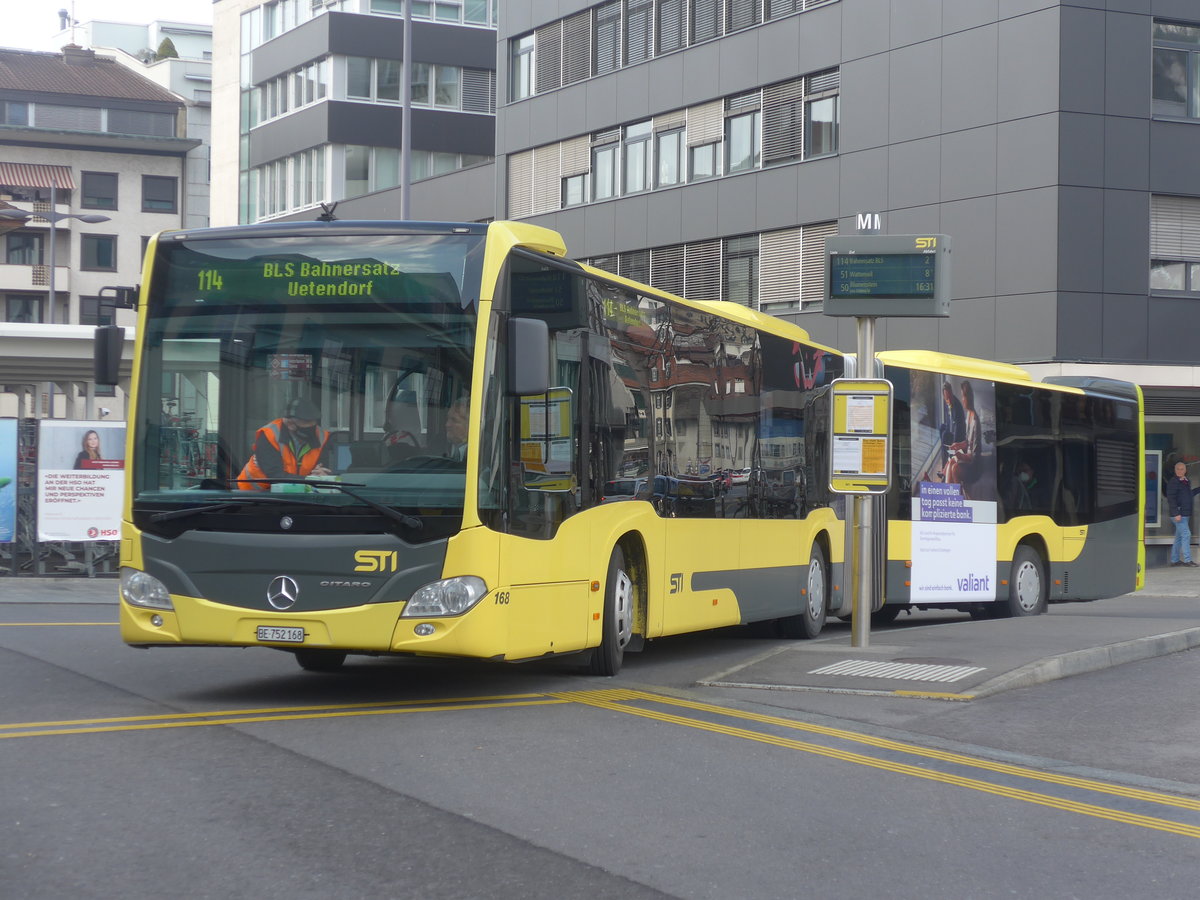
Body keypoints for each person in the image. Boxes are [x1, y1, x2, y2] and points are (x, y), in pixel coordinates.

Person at [237, 398, 332, 490]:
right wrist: (310, 480)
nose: (312, 426)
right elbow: (274, 475)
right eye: (307, 422)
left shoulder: (321, 436)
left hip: (297, 493)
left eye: (314, 421)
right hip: (255, 495)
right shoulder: (269, 435)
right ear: (290, 424)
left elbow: (323, 468)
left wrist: (322, 476)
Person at [943, 380, 980, 493]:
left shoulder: (975, 421)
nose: (962, 399)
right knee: (950, 462)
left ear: (968, 398)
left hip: (974, 464)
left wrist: (962, 456)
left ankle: (956, 500)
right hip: (968, 456)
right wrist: (958, 445)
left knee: (955, 468)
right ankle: (948, 496)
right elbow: (968, 442)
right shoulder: (968, 414)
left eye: (963, 396)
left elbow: (975, 454)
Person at [1165, 460, 1200, 567]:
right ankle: (1188, 560)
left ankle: (1174, 560)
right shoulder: (1173, 482)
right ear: (1175, 470)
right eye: (1178, 469)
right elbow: (1171, 499)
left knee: (1179, 537)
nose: (1180, 471)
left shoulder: (1186, 481)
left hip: (1185, 514)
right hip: (1178, 514)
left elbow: (1189, 495)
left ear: (1185, 470)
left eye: (1182, 469)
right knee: (1186, 534)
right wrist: (1176, 513)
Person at [444, 394, 469, 461]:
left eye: (454, 420)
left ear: (469, 424)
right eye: (448, 419)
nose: (447, 425)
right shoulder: (438, 442)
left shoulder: (484, 447)